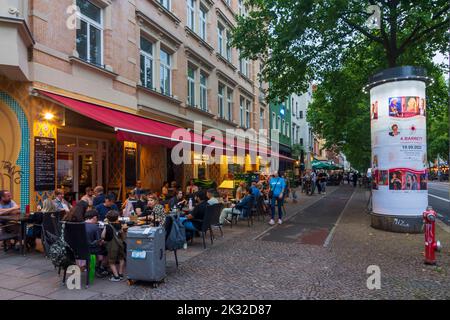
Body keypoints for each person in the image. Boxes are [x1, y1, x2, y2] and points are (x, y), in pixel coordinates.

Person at [101, 210, 125, 282]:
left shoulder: (107, 226)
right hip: (120, 244)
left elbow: (102, 236)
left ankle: (116, 276)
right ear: (117, 218)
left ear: (107, 219)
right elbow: (123, 235)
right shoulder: (120, 224)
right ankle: (120, 273)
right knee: (121, 259)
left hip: (112, 246)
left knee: (111, 262)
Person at [84, 210, 108, 277]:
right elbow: (99, 241)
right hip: (92, 250)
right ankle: (99, 267)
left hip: (80, 250)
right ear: (94, 217)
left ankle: (90, 266)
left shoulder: (79, 225)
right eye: (97, 218)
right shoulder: (95, 227)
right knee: (106, 249)